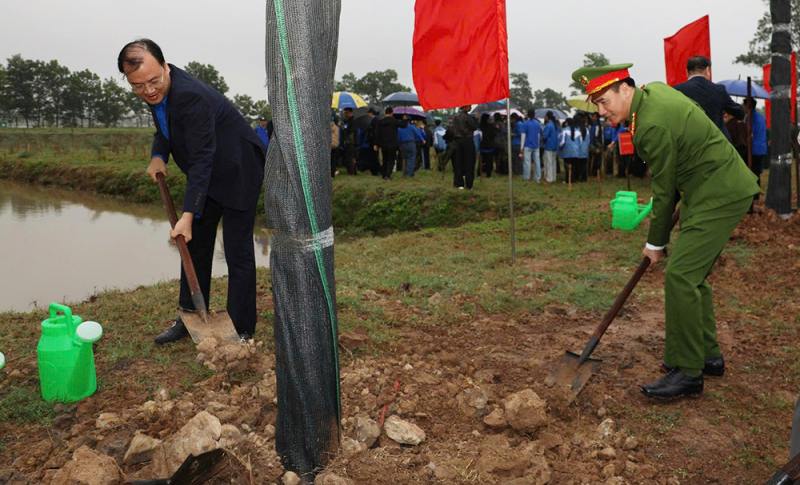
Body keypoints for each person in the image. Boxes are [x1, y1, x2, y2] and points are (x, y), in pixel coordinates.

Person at [574, 63, 759, 399]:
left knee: (681, 276)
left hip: (718, 192)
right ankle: (708, 356)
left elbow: (664, 188)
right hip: (706, 188)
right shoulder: (654, 92)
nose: (601, 111)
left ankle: (688, 372)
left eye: (604, 100)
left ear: (625, 90)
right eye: (596, 104)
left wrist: (654, 243)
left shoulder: (651, 124)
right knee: (693, 276)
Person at [118, 38, 266, 344]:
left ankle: (241, 328)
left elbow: (202, 159)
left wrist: (187, 215)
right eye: (138, 86)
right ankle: (189, 316)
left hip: (238, 170)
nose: (148, 91)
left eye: (153, 81)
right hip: (208, 171)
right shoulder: (157, 90)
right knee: (194, 244)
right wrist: (158, 153)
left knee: (237, 251)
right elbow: (165, 127)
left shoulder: (190, 97)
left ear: (165, 65)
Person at [673, 55, 744, 143]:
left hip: (689, 143)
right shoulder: (718, 90)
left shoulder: (677, 90)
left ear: (687, 72)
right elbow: (739, 113)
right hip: (716, 143)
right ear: (707, 70)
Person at [744, 97, 767, 210]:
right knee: (757, 174)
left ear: (748, 106)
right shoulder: (761, 117)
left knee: (752, 175)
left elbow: (749, 133)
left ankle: (753, 198)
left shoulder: (751, 118)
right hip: (761, 148)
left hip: (754, 149)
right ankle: (756, 198)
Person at [451, 105, 477, 189]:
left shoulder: (455, 117)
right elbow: (474, 127)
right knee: (469, 162)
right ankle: (469, 184)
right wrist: (477, 119)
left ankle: (458, 183)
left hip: (458, 140)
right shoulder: (468, 117)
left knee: (458, 162)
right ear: (465, 107)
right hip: (468, 140)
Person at [374, 106, 400, 180]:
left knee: (385, 159)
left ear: (385, 113)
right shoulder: (394, 121)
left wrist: (376, 144)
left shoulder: (380, 121)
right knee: (391, 160)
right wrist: (404, 119)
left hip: (383, 144)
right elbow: (403, 125)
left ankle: (384, 174)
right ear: (392, 113)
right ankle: (387, 175)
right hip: (392, 144)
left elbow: (377, 133)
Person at [520, 109, 543, 182]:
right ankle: (537, 178)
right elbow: (539, 135)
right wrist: (538, 145)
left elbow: (523, 136)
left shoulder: (525, 123)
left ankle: (526, 177)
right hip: (536, 145)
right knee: (537, 162)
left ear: (528, 115)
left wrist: (521, 147)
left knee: (527, 162)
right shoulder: (537, 123)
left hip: (527, 145)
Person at [558, 118, 581, 183]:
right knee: (573, 167)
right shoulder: (578, 131)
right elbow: (580, 142)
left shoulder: (564, 130)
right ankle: (573, 180)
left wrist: (560, 147)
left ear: (567, 123)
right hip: (576, 152)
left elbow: (562, 142)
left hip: (567, 151)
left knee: (567, 167)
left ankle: (567, 180)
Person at [541, 111, 559, 183]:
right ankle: (553, 177)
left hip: (548, 146)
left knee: (548, 163)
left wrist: (542, 138)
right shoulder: (556, 125)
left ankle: (549, 178)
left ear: (547, 117)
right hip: (555, 146)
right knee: (553, 162)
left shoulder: (548, 125)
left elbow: (545, 136)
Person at [341, 107, 358, 175]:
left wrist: (345, 129)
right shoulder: (346, 121)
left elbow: (351, 131)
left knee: (351, 157)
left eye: (346, 113)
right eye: (344, 113)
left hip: (351, 142)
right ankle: (350, 170)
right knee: (347, 157)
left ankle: (352, 171)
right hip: (348, 142)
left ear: (350, 112)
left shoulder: (353, 121)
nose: (345, 114)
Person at [588, 112, 604, 176]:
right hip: (590, 144)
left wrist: (601, 145)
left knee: (597, 159)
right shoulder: (590, 125)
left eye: (595, 117)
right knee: (589, 159)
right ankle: (589, 172)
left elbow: (601, 136)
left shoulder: (599, 126)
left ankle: (596, 172)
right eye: (593, 116)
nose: (594, 118)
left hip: (597, 144)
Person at [330, 113, 340, 178]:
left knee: (329, 161)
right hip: (335, 145)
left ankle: (330, 174)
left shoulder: (328, 127)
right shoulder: (336, 127)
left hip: (330, 145)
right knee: (333, 160)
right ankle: (332, 174)